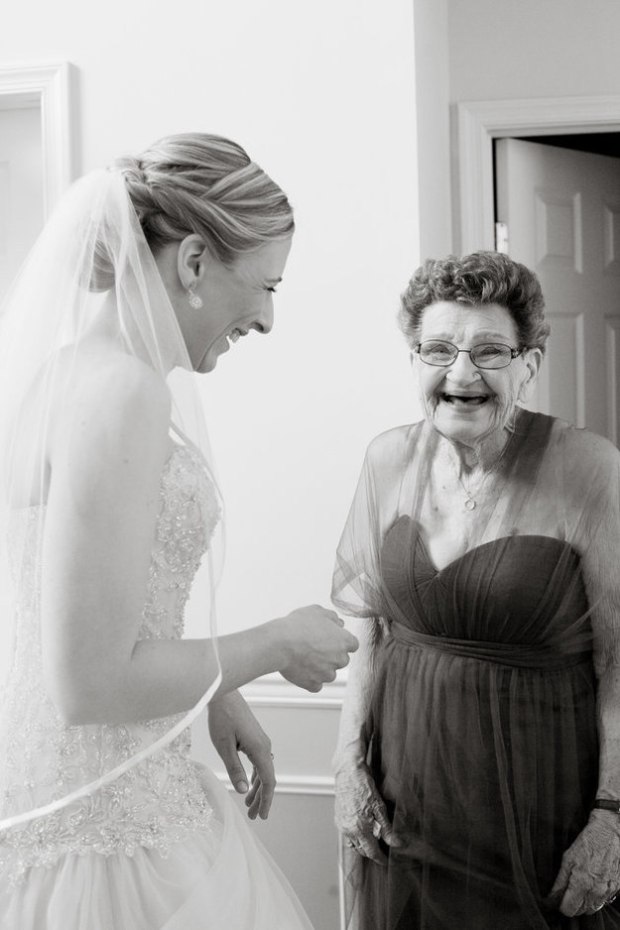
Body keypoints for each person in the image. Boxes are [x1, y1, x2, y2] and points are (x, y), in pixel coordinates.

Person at [0, 132, 358, 930]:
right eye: (263, 285)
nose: (266, 317)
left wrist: (211, 688)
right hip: (104, 841)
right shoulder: (122, 393)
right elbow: (87, 683)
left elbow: (102, 606)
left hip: (115, 787)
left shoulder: (70, 375)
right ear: (193, 261)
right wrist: (275, 643)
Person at [331, 251, 620, 929]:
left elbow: (619, 659)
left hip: (540, 805)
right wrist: (348, 769)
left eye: (490, 351)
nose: (462, 374)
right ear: (414, 359)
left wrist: (611, 815)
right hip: (406, 799)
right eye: (437, 349)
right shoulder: (387, 459)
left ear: (531, 362)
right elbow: (371, 630)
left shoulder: (589, 468)